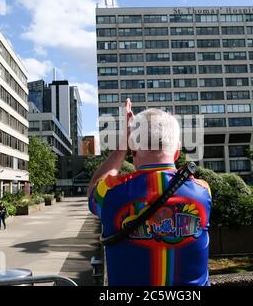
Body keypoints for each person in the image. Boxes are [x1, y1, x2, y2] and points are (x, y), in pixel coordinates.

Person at [88, 99, 212, 286]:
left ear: (133, 150)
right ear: (177, 151)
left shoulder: (112, 193)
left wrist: (123, 143)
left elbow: (92, 194)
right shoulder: (203, 191)